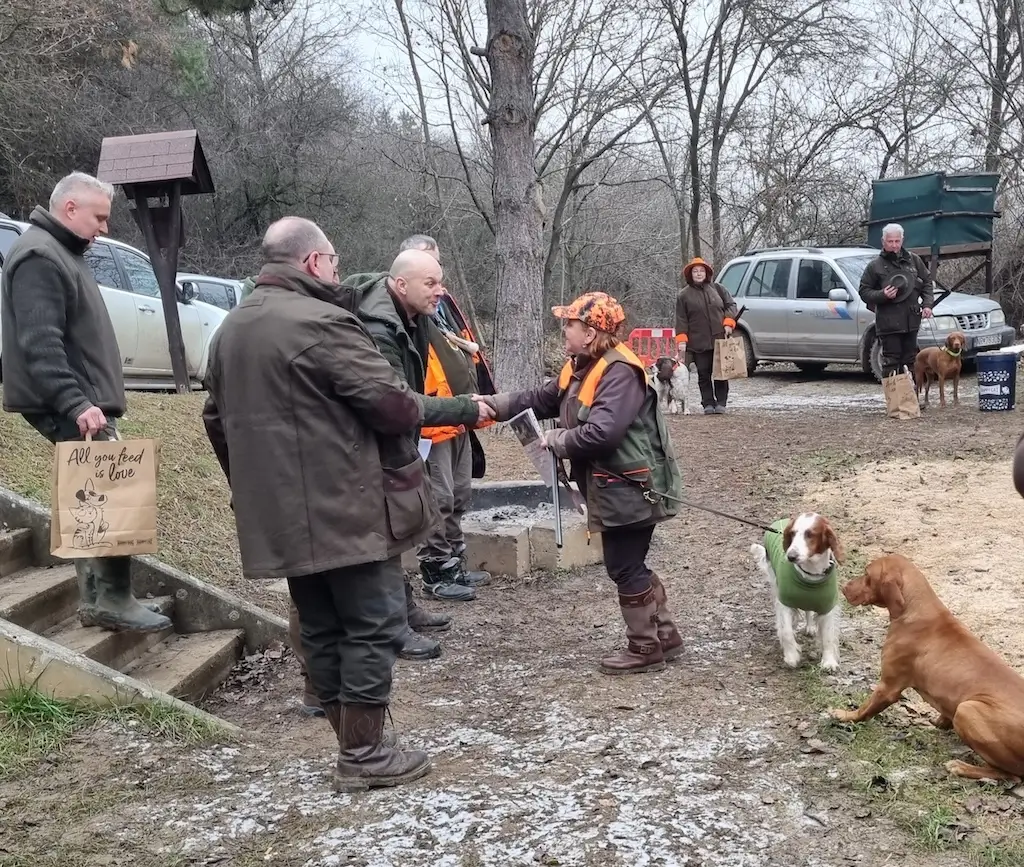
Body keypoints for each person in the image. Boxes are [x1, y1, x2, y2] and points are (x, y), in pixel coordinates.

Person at [202, 216, 436, 790]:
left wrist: (254, 487)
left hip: (280, 513)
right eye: (333, 261)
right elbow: (394, 407)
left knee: (323, 627)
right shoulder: (323, 322)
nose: (337, 271)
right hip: (346, 507)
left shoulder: (230, 330)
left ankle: (354, 745)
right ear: (312, 262)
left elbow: (215, 420)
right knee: (376, 623)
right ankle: (364, 754)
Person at [0, 172, 171, 633]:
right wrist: (76, 403)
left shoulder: (61, 251)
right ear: (70, 208)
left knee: (92, 492)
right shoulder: (40, 255)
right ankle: (112, 600)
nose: (104, 228)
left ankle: (99, 598)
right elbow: (40, 343)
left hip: (83, 399)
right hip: (73, 403)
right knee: (112, 491)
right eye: (99, 217)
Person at [483, 292, 685, 675]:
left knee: (624, 566)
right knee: (630, 564)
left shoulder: (619, 372)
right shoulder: (580, 367)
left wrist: (556, 439)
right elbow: (540, 399)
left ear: (590, 333)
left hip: (631, 487)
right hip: (614, 486)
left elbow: (603, 434)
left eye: (570, 324)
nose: (564, 329)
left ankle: (645, 648)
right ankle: (665, 637)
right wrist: (490, 405)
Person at [340, 250, 495, 661]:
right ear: (401, 283)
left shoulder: (413, 316)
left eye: (440, 281)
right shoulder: (378, 326)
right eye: (431, 283)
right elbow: (396, 401)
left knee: (400, 526)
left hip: (399, 435)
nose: (440, 291)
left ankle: (404, 609)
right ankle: (393, 628)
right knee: (383, 534)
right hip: (371, 443)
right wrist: (463, 409)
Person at [397, 234, 496, 594]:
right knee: (437, 498)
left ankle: (455, 563)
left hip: (458, 415)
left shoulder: (442, 303)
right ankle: (436, 571)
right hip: (431, 421)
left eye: (437, 265)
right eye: (427, 268)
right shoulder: (403, 311)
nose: (436, 279)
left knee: (459, 494)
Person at [858, 223, 934, 378]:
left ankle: (911, 394)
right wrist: (882, 295)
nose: (894, 245)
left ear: (902, 240)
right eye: (890, 241)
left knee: (911, 361)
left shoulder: (914, 260)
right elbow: (864, 291)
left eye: (897, 241)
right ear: (883, 241)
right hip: (888, 324)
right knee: (891, 362)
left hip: (911, 321)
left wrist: (927, 305)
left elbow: (927, 282)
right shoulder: (875, 266)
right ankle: (893, 394)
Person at [675, 257, 738, 414]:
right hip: (698, 341)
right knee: (703, 373)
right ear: (690, 275)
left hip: (719, 339)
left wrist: (728, 323)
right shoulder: (684, 295)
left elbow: (731, 306)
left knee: (721, 373)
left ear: (707, 273)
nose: (698, 274)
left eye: (701, 271)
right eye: (695, 271)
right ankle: (708, 403)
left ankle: (721, 403)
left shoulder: (718, 289)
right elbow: (681, 319)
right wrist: (682, 340)